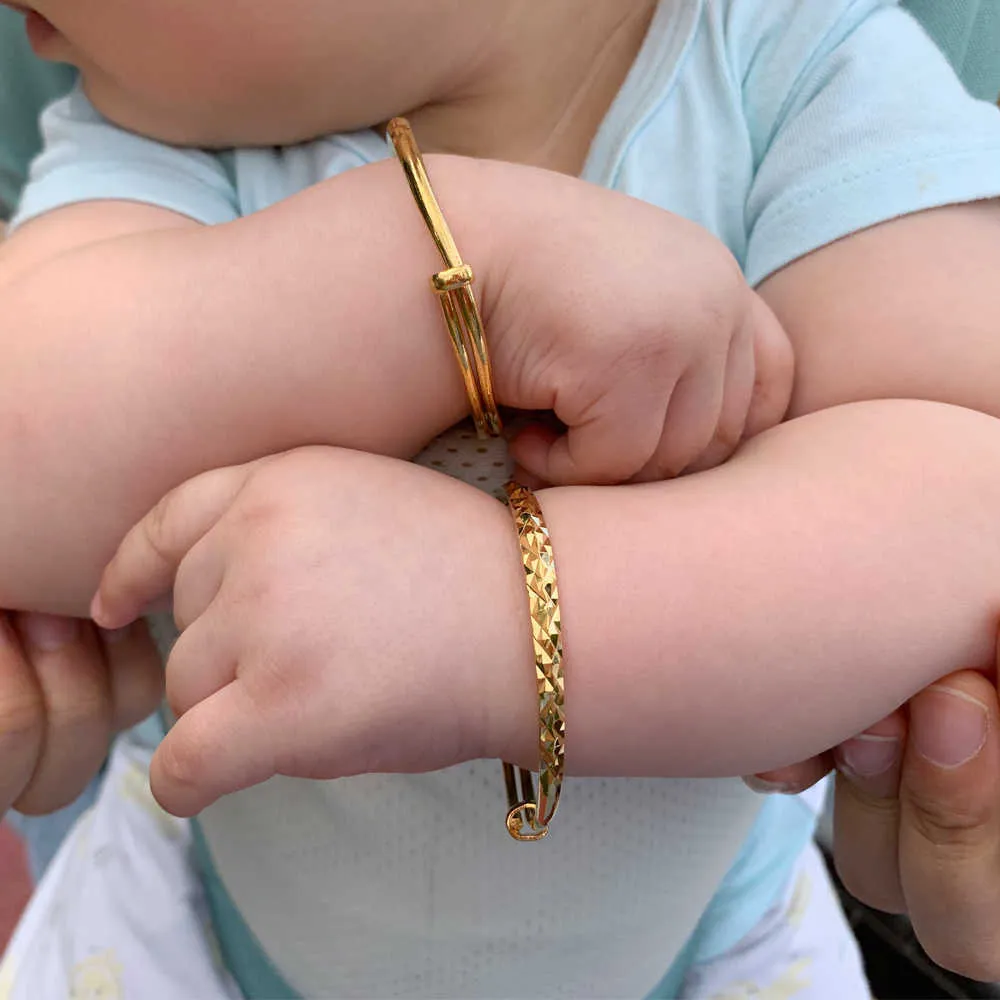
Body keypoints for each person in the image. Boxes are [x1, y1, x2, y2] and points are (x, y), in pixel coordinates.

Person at [2, 0, 1000, 996]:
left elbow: (964, 498)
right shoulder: (158, 130)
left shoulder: (805, 74)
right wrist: (447, 268)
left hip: (707, 955)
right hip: (189, 936)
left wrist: (495, 614)